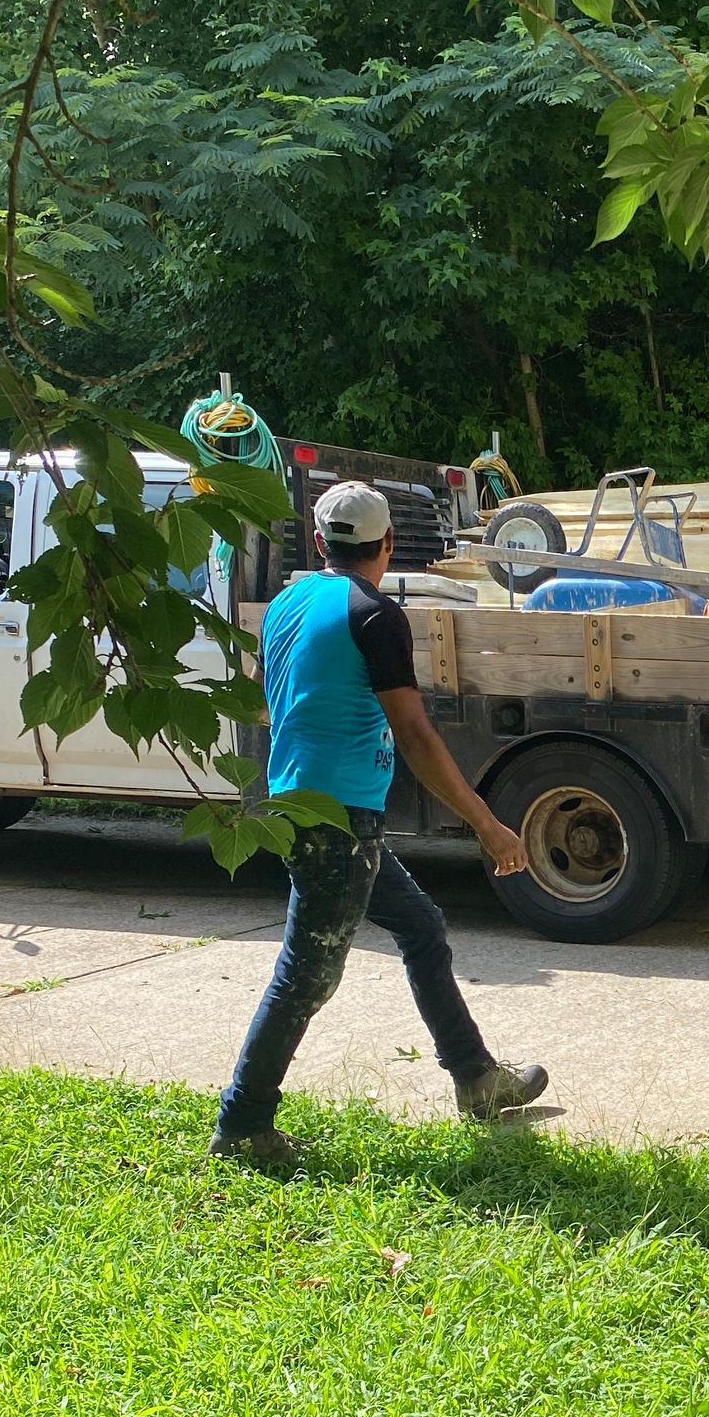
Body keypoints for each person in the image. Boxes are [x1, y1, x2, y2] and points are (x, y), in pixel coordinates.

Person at [212, 480, 548, 1165]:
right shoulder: (375, 615)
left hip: (299, 804)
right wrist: (488, 824)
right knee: (306, 974)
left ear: (318, 543)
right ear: (389, 544)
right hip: (337, 818)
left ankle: (476, 1079)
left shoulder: (285, 604)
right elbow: (417, 735)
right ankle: (243, 1124)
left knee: (422, 927)